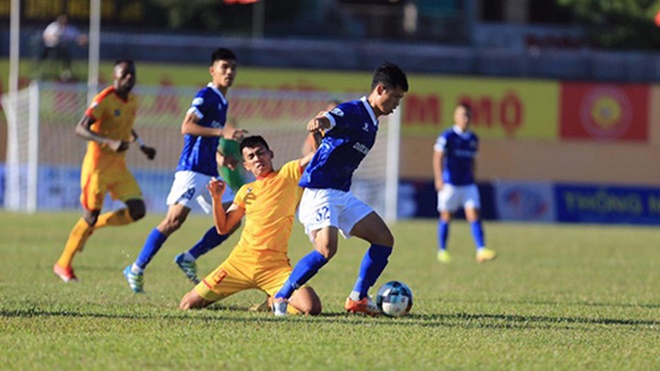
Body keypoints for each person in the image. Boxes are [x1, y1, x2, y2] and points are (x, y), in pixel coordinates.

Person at [271, 62, 409, 317]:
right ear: (381, 89)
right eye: (396, 97)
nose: (397, 104)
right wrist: (319, 121)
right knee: (326, 249)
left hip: (341, 194)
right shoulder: (354, 111)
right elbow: (331, 118)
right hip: (319, 192)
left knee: (384, 239)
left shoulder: (373, 121)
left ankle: (357, 298)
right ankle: (281, 296)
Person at [124, 48, 246, 293]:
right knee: (173, 221)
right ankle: (136, 268)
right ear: (213, 71)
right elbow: (187, 126)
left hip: (210, 170)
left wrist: (222, 158)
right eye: (224, 67)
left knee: (232, 219)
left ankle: (189, 258)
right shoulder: (206, 95)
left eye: (233, 67)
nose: (229, 72)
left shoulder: (222, 101)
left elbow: (207, 139)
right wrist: (222, 132)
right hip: (191, 169)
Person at [179, 135, 322, 315]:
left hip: (274, 267)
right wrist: (216, 199)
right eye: (251, 157)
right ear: (246, 165)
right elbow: (223, 228)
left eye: (260, 153)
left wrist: (315, 133)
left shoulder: (289, 173)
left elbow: (316, 155)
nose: (257, 159)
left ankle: (273, 301)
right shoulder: (245, 191)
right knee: (187, 304)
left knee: (312, 308)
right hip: (239, 264)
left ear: (270, 154)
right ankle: (275, 299)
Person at [53, 59, 157, 283]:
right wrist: (109, 142)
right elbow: (80, 128)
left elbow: (127, 127)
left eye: (132, 74)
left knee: (138, 210)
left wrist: (142, 145)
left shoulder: (133, 100)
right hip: (97, 167)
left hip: (119, 166)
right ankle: (63, 264)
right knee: (90, 213)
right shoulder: (103, 99)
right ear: (115, 76)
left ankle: (95, 225)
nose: (129, 78)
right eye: (124, 74)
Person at [432, 103, 497, 264]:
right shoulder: (447, 136)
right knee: (447, 216)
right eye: (462, 115)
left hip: (468, 184)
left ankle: (481, 249)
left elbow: (473, 160)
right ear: (455, 117)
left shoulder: (473, 139)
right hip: (450, 183)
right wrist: (439, 178)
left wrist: (474, 177)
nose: (465, 119)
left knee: (474, 214)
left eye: (468, 115)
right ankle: (442, 250)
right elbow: (437, 157)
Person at [38, 14, 88, 81]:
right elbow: (45, 36)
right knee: (55, 54)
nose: (64, 21)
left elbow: (75, 35)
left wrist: (81, 38)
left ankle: (66, 72)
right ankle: (45, 72)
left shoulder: (67, 28)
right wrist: (54, 38)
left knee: (65, 54)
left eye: (65, 20)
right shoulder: (53, 27)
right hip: (51, 47)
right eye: (62, 19)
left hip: (61, 48)